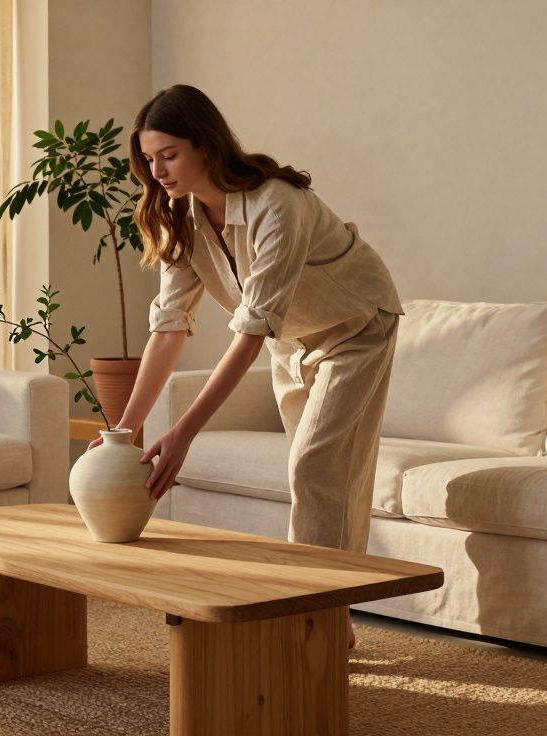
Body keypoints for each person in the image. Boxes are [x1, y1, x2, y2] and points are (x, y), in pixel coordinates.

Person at [86, 84, 403, 647]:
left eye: (170, 154)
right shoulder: (178, 218)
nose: (157, 170)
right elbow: (168, 328)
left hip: (357, 330)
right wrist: (125, 429)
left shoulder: (277, 203)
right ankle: (334, 623)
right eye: (148, 158)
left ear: (206, 146)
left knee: (315, 469)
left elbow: (251, 331)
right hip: (293, 343)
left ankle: (309, 629)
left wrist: (182, 434)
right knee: (331, 480)